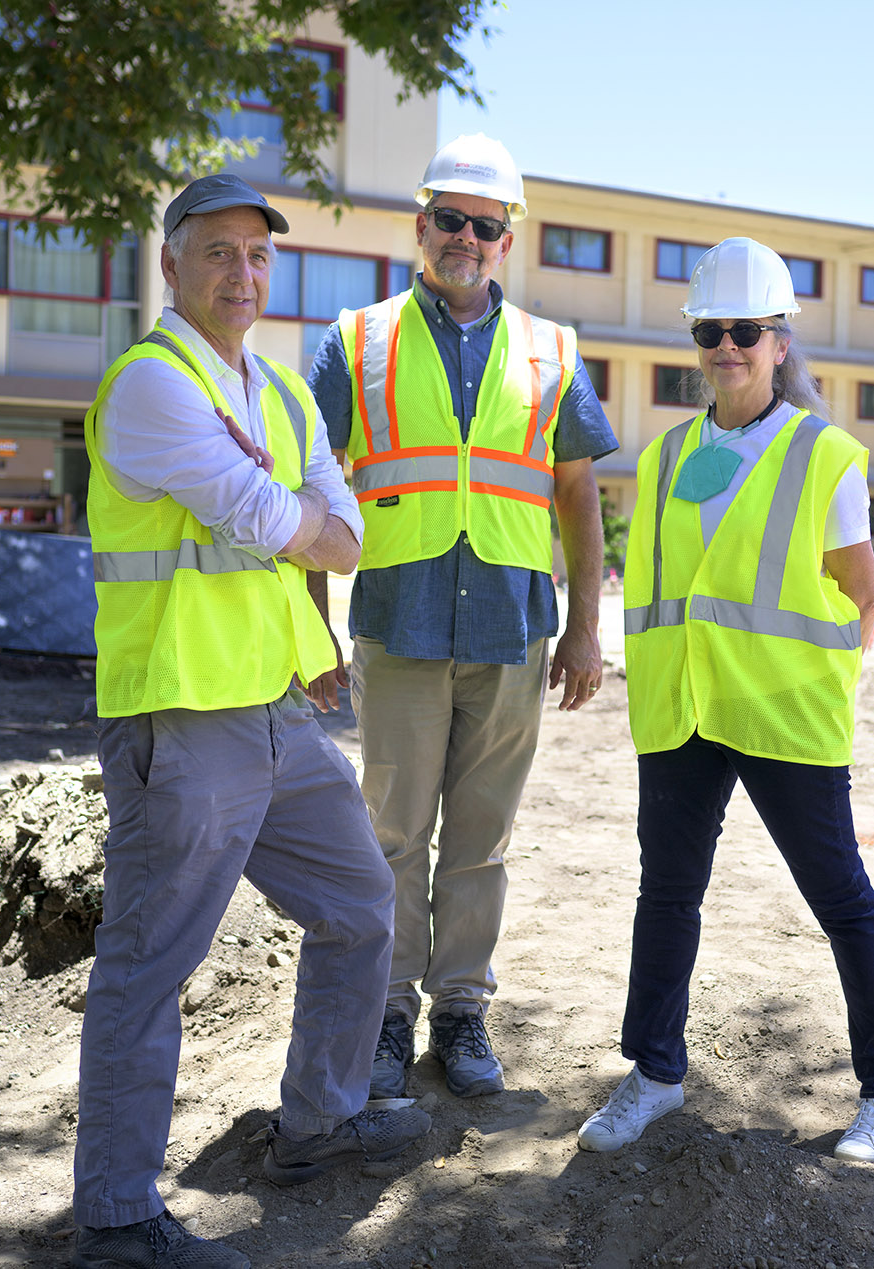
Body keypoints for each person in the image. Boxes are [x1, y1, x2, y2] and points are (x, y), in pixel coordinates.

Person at [73, 174, 429, 1269]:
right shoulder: (150, 385)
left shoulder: (277, 392)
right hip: (181, 719)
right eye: (218, 252)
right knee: (149, 964)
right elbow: (269, 517)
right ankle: (120, 1215)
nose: (243, 272)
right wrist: (293, 512)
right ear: (171, 264)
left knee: (361, 906)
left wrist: (296, 512)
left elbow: (345, 536)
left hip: (278, 710)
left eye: (258, 255)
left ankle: (315, 1123)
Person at [577, 237, 874, 1163]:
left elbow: (864, 595)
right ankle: (654, 1072)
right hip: (683, 712)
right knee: (667, 895)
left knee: (840, 896)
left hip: (780, 717)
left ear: (778, 343)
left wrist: (821, 686)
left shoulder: (826, 456)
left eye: (745, 331)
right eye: (710, 331)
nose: (726, 346)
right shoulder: (668, 455)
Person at [307, 134, 618, 1100]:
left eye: (486, 226)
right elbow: (309, 494)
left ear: (507, 240)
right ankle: (390, 1012)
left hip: (514, 627)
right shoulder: (355, 341)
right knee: (390, 832)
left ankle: (462, 1009)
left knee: (482, 836)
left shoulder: (553, 350)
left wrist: (584, 628)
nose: (467, 239)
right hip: (397, 622)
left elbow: (577, 496)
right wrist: (312, 630)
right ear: (421, 223)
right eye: (451, 219)